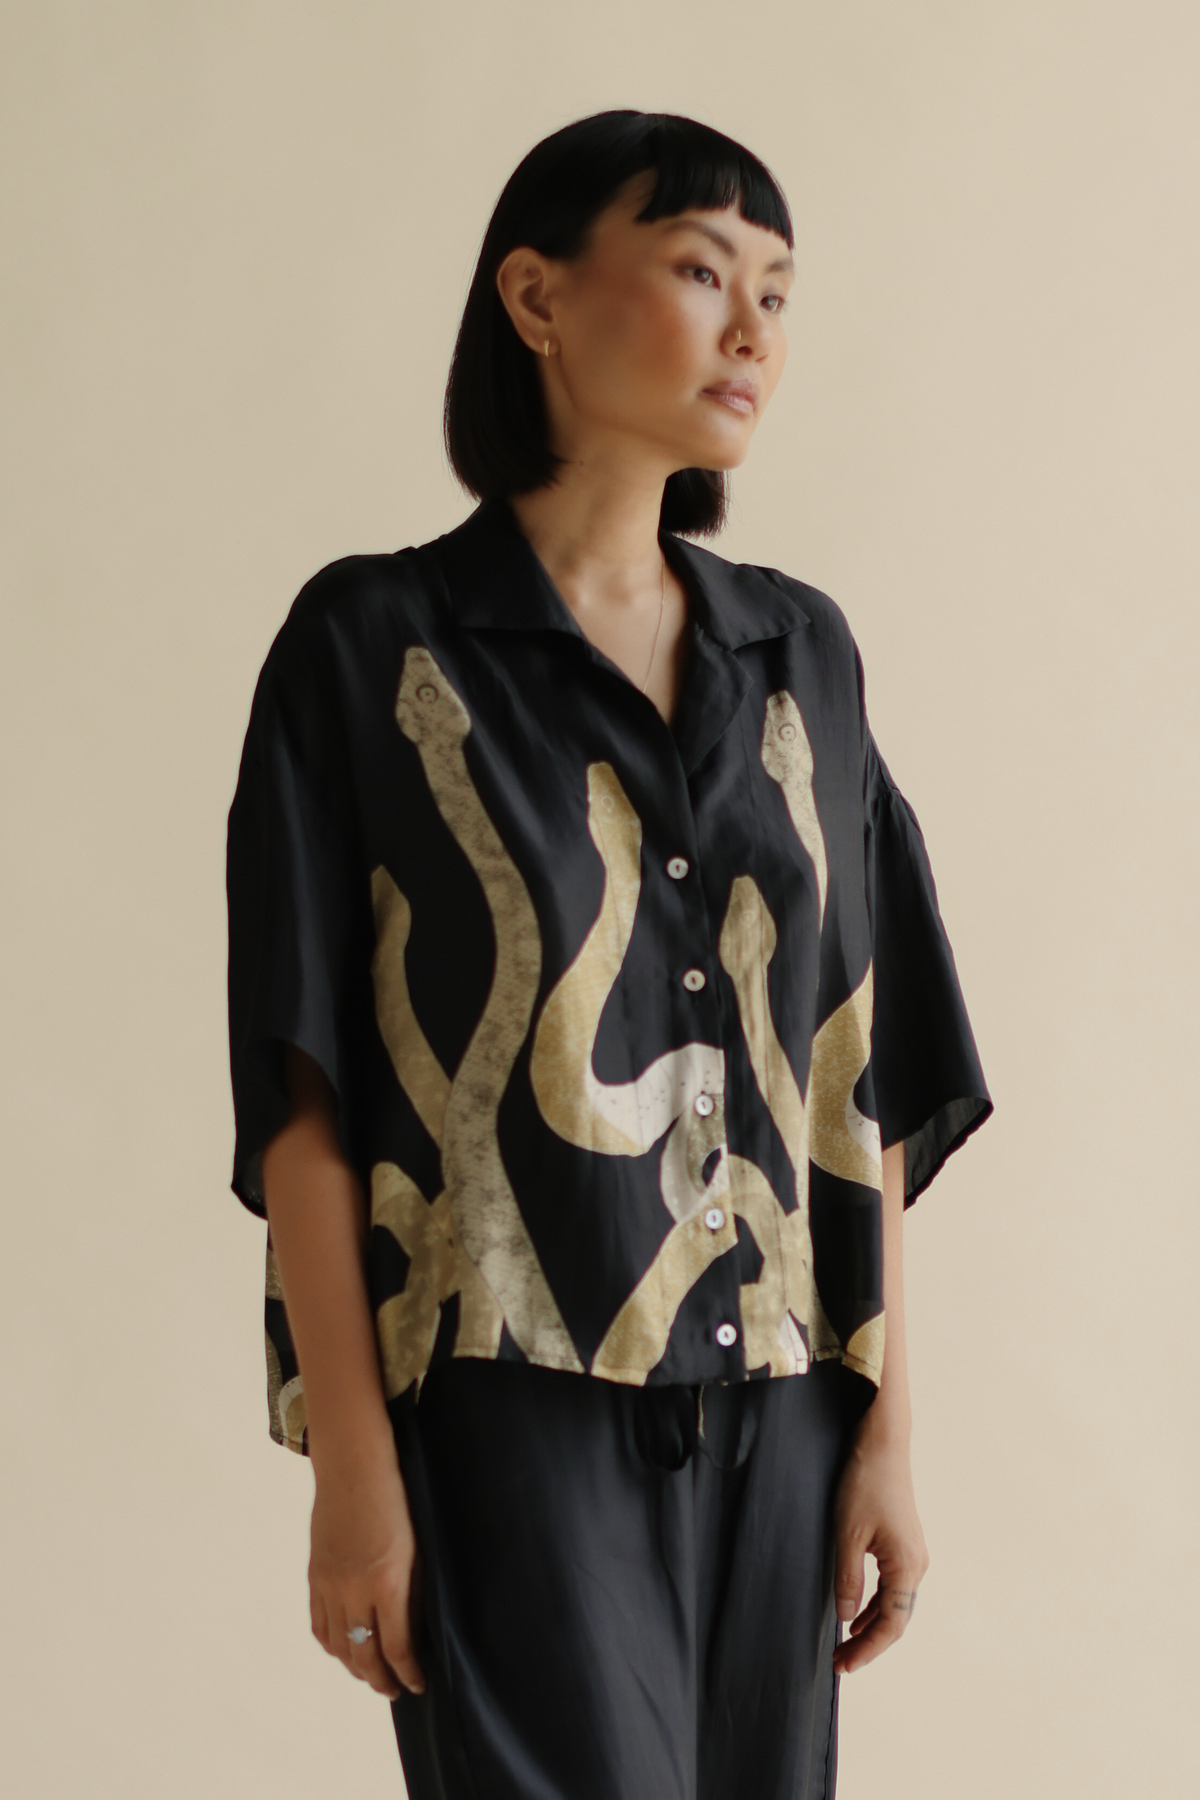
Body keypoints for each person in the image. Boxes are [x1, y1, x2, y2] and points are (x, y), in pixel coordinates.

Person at [226, 110, 992, 1800]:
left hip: (784, 1406)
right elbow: (303, 1087)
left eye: (778, 292)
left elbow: (863, 1072)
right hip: (506, 1400)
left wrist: (886, 1430)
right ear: (537, 298)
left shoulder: (803, 654)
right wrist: (351, 1465)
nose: (752, 331)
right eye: (704, 272)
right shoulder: (374, 646)